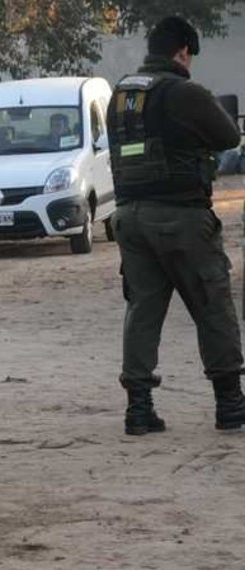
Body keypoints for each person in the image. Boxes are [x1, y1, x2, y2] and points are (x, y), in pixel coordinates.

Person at [106, 16, 245, 435]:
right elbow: (228, 138)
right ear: (182, 52)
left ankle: (139, 409)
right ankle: (230, 404)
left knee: (143, 311)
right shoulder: (184, 92)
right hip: (180, 216)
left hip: (129, 217)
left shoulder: (121, 94)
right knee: (212, 303)